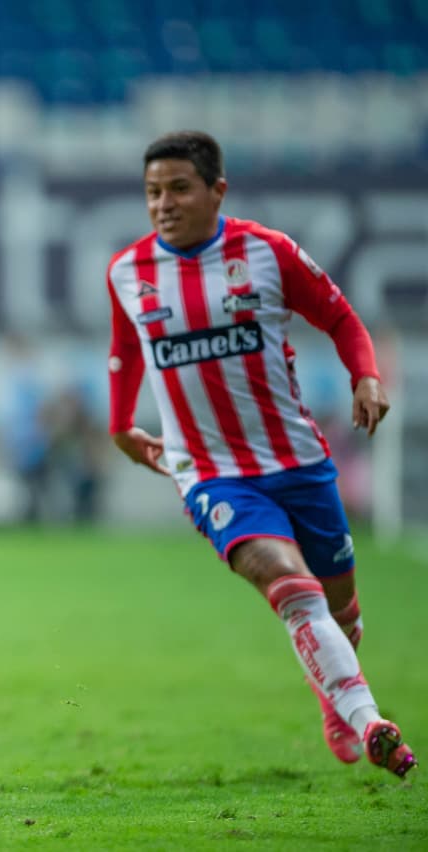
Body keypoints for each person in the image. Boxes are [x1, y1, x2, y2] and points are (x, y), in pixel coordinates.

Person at [105, 130, 416, 779]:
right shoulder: (128, 272)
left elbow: (341, 319)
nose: (163, 203)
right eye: (152, 192)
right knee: (290, 587)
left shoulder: (268, 254)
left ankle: (331, 690)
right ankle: (369, 720)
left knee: (340, 609)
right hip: (211, 474)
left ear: (217, 191)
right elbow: (126, 351)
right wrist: (120, 425)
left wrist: (365, 374)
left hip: (297, 461)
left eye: (179, 189)